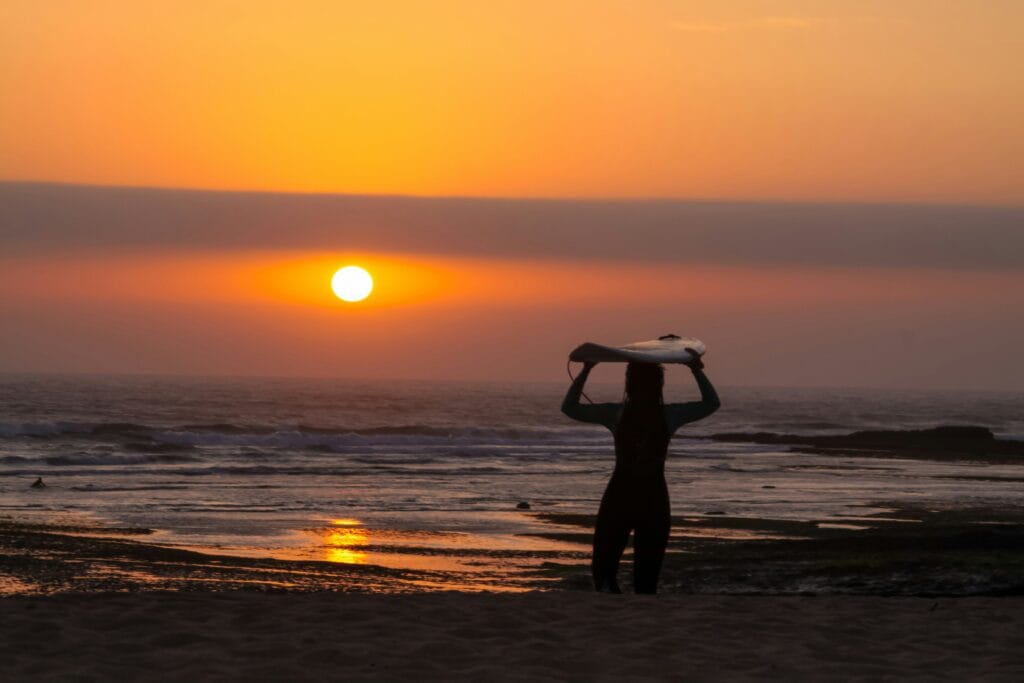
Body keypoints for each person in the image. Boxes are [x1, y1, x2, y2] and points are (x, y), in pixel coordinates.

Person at [561, 352, 720, 594]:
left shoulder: (616, 413)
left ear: (628, 383)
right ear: (660, 384)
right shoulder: (669, 415)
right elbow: (711, 403)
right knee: (647, 574)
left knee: (604, 570)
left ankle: (613, 617)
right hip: (653, 497)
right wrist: (695, 369)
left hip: (620, 495)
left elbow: (570, 408)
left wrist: (587, 369)